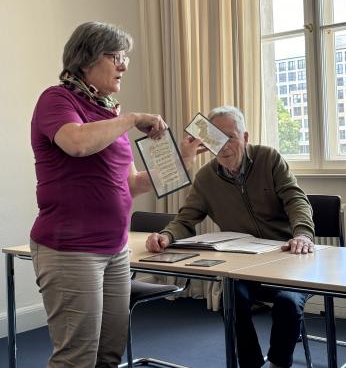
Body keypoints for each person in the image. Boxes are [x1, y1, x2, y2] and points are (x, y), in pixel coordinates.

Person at [29, 21, 200, 368]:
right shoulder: (56, 99)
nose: (123, 65)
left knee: (109, 354)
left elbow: (131, 183)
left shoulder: (107, 113)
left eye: (125, 57)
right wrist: (133, 117)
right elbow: (76, 144)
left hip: (114, 249)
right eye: (114, 56)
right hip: (70, 249)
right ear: (86, 58)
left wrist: (180, 160)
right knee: (76, 358)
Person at [146, 105, 315, 368]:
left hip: (288, 260)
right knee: (232, 298)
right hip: (245, 265)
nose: (223, 146)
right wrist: (167, 236)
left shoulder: (268, 158)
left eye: (231, 137)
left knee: (287, 302)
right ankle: (250, 364)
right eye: (216, 138)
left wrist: (303, 234)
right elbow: (186, 218)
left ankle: (278, 363)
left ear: (245, 137)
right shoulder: (205, 178)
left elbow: (297, 200)